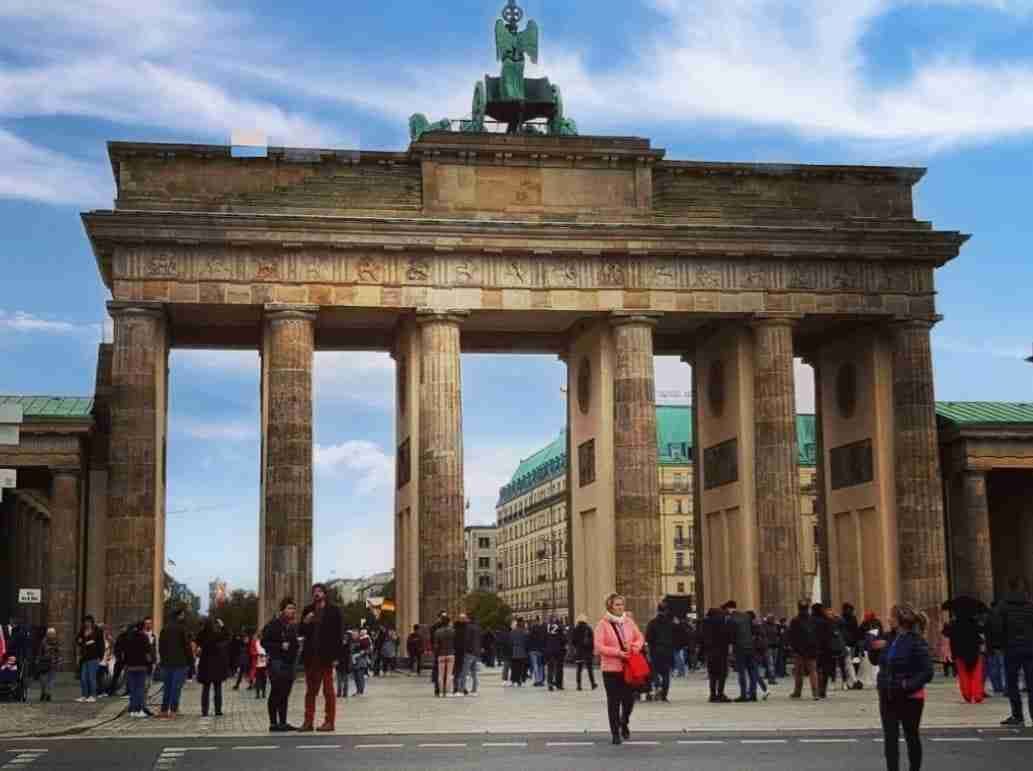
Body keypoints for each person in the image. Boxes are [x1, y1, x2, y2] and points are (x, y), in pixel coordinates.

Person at [873, 604, 933, 771]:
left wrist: (908, 685)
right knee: (890, 738)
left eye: (891, 616)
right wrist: (873, 648)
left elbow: (927, 671)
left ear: (900, 620)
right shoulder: (888, 638)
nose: (888, 619)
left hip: (910, 697)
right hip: (888, 694)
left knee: (911, 736)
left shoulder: (916, 640)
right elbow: (876, 660)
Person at [595, 593, 644, 746]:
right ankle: (615, 733)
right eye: (617, 605)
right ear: (610, 606)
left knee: (629, 700)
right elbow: (599, 646)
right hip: (611, 669)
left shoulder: (628, 622)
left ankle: (624, 721)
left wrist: (634, 647)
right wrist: (617, 652)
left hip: (628, 667)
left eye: (622, 604)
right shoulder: (602, 624)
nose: (620, 607)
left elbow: (640, 638)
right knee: (613, 701)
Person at [298, 583, 344, 732]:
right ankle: (308, 722)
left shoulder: (334, 611)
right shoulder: (308, 610)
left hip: (327, 657)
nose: (317, 594)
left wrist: (337, 656)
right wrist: (306, 622)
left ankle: (329, 722)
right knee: (310, 691)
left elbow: (339, 635)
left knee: (328, 691)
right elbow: (301, 632)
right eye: (314, 592)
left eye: (319, 591)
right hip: (311, 657)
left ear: (325, 593)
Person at [994, 579, 1033, 727]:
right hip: (1030, 648)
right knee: (1031, 684)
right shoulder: (1030, 606)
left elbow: (996, 626)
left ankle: (1017, 716)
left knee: (1012, 684)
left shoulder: (1003, 606)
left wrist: (999, 644)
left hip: (1011, 649)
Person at [261, 597, 299, 732]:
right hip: (277, 663)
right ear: (282, 610)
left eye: (293, 608)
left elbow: (293, 645)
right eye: (289, 608)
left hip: (290, 664)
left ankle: (283, 722)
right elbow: (264, 642)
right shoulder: (274, 624)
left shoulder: (292, 626)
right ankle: (273, 723)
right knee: (276, 692)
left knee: (285, 693)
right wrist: (279, 646)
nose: (292, 611)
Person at [158, 607, 192, 718]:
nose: (184, 617)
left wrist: (162, 659)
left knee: (167, 687)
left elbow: (161, 646)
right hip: (179, 662)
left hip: (166, 663)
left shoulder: (164, 628)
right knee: (176, 687)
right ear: (178, 616)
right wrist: (190, 661)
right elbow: (187, 646)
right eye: (182, 615)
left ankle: (163, 710)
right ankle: (173, 710)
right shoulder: (181, 629)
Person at [948, 607, 985, 704]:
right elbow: (981, 636)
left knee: (963, 675)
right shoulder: (975, 623)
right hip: (974, 652)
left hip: (960, 653)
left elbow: (950, 638)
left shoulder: (954, 625)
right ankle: (977, 695)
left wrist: (953, 654)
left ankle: (967, 695)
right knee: (976, 674)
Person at [195, 617, 230, 718]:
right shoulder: (217, 634)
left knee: (205, 689)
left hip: (205, 665)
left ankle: (204, 710)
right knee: (217, 688)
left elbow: (197, 642)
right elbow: (227, 635)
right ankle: (218, 710)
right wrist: (222, 625)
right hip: (217, 665)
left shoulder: (201, 634)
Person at [726, 601, 759, 702]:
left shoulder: (731, 619)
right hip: (750, 647)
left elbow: (731, 636)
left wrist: (730, 649)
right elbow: (753, 631)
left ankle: (743, 695)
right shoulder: (746, 616)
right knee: (752, 671)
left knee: (742, 672)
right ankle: (753, 694)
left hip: (739, 648)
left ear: (728, 608)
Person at [789, 601, 820, 700]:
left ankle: (797, 692)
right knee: (813, 671)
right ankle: (815, 693)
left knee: (799, 672)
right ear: (808, 608)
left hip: (799, 650)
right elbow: (817, 635)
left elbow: (792, 636)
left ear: (798, 608)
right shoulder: (813, 620)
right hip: (811, 649)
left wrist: (793, 648)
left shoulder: (795, 620)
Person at [125, 620, 154, 718]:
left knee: (133, 690)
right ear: (143, 627)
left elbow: (126, 652)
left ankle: (133, 710)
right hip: (141, 666)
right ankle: (140, 709)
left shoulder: (129, 637)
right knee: (140, 689)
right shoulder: (144, 637)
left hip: (130, 666)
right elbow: (148, 653)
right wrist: (150, 664)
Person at [646, 603, 675, 702]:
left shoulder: (652, 622)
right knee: (666, 673)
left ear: (657, 610)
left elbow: (648, 637)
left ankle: (657, 684)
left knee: (654, 670)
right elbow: (676, 636)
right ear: (666, 610)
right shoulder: (670, 623)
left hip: (656, 650)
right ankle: (664, 695)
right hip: (668, 651)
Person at [702, 607, 731, 703]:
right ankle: (720, 694)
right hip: (721, 652)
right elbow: (727, 636)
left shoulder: (705, 623)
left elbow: (701, 638)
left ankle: (712, 694)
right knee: (722, 674)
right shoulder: (722, 622)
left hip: (710, 652)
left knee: (712, 675)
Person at [75, 615, 104, 703]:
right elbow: (78, 640)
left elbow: (101, 645)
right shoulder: (82, 630)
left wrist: (100, 657)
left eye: (88, 621)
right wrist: (79, 641)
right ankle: (84, 695)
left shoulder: (97, 631)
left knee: (92, 677)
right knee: (83, 678)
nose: (86, 623)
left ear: (91, 622)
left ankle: (93, 695)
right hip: (84, 657)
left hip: (94, 657)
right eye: (85, 622)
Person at [36, 628, 61, 703]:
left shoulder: (57, 642)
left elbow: (58, 653)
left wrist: (59, 661)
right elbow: (40, 652)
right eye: (50, 634)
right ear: (47, 634)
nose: (51, 635)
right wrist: (38, 660)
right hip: (44, 663)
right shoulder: (43, 642)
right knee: (43, 681)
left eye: (53, 634)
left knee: (51, 681)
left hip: (53, 664)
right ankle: (43, 692)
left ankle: (48, 694)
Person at [571, 615, 597, 691]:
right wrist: (592, 650)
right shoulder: (588, 628)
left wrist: (576, 647)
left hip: (579, 652)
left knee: (579, 669)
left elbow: (573, 641)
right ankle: (593, 684)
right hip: (588, 652)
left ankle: (578, 685)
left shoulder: (575, 629)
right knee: (590, 669)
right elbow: (592, 641)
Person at [433, 615, 455, 698]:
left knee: (440, 675)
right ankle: (448, 692)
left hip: (441, 654)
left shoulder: (437, 632)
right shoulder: (453, 631)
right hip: (450, 653)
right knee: (449, 674)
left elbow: (436, 645)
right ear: (449, 622)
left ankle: (441, 692)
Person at [461, 615, 482, 696]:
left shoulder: (468, 627)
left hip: (469, 652)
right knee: (474, 672)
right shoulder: (478, 627)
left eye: (466, 618)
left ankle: (462, 689)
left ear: (469, 619)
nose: (465, 619)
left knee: (464, 672)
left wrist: (465, 649)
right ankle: (474, 690)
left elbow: (466, 640)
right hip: (476, 652)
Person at [545, 617, 566, 692]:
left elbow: (544, 640)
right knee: (559, 668)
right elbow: (564, 639)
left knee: (550, 668)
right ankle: (559, 684)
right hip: (558, 650)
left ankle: (550, 684)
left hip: (549, 650)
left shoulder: (547, 628)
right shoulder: (560, 628)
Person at [509, 619, 529, 686]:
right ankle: (519, 680)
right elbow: (526, 642)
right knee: (521, 668)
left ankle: (513, 680)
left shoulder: (512, 632)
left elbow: (510, 642)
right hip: (522, 651)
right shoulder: (524, 632)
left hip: (514, 651)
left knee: (514, 667)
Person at [529, 617, 546, 687]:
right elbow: (544, 639)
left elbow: (528, 639)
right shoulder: (542, 629)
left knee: (535, 666)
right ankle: (541, 680)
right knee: (541, 666)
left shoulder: (531, 629)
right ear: (539, 621)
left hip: (533, 650)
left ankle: (536, 680)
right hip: (540, 650)